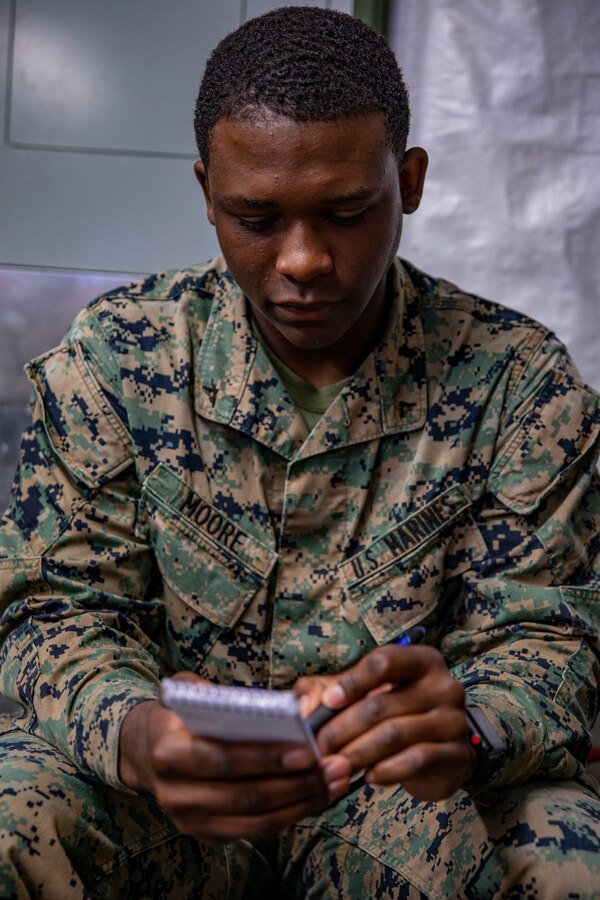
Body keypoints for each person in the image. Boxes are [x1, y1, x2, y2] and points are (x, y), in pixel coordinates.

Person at [0, 6, 599, 898]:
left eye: (347, 211)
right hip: (172, 788)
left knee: (562, 860)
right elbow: (56, 611)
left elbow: (549, 636)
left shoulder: (518, 382)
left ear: (410, 180)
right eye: (254, 217)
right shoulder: (120, 356)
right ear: (206, 192)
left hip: (402, 800)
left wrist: (472, 725)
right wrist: (136, 736)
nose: (304, 260)